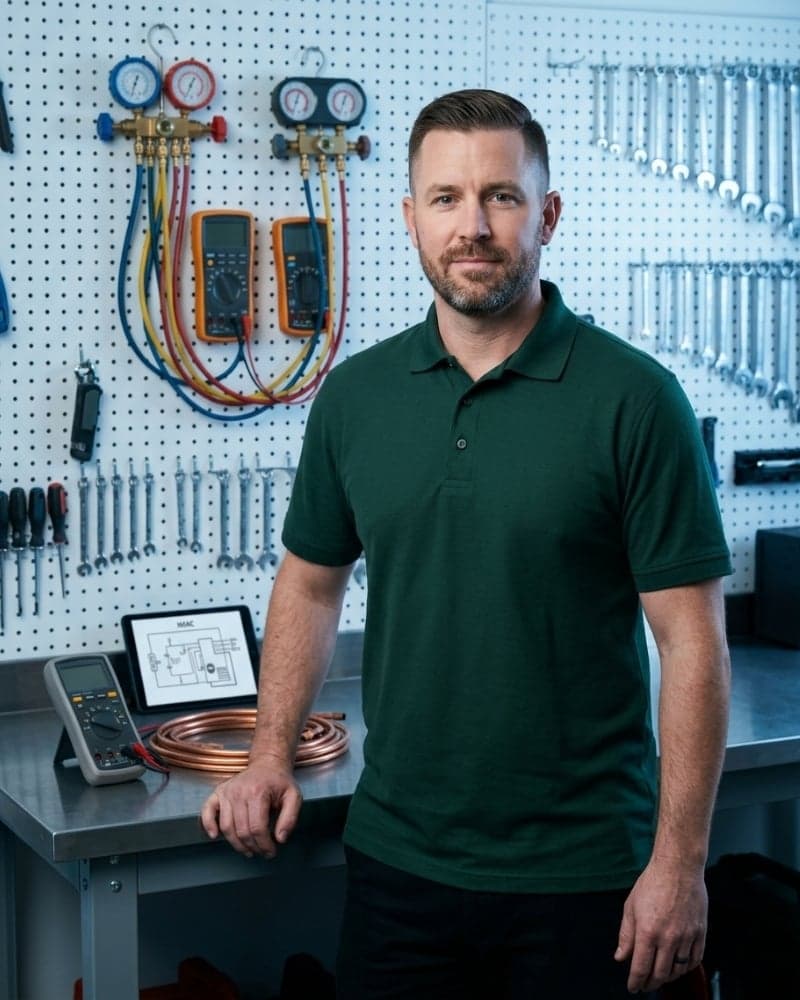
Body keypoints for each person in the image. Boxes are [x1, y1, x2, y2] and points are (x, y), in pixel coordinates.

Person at [201, 89, 732, 999]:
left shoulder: (635, 400)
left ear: (548, 214)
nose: (473, 226)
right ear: (411, 218)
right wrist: (267, 757)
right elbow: (312, 585)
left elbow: (692, 643)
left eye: (502, 196)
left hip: (586, 878)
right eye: (446, 198)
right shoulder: (357, 398)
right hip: (397, 866)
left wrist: (679, 865)